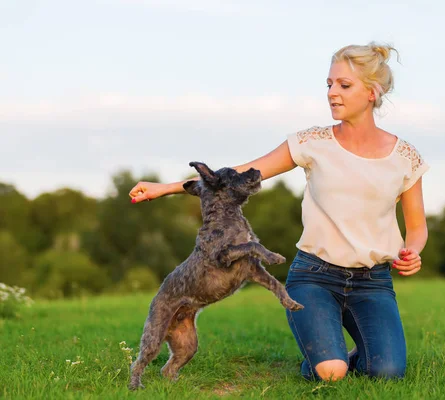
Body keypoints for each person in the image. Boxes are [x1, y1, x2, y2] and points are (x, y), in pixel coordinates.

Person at [129, 42, 429, 382]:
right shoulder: (312, 142)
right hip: (315, 276)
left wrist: (413, 251)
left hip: (373, 282)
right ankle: (323, 361)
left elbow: (417, 227)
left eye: (344, 85)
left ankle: (333, 356)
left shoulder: (405, 157)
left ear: (373, 92)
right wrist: (164, 188)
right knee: (332, 374)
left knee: (387, 373)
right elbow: (235, 175)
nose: (332, 93)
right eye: (329, 84)